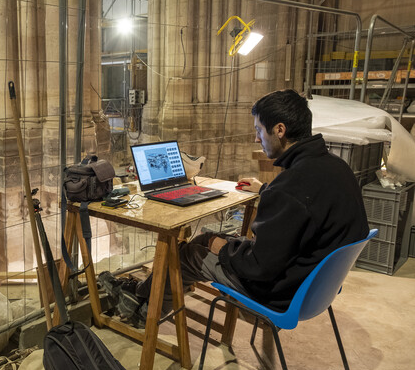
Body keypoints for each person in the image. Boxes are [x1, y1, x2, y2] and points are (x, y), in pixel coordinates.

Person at [99, 89, 369, 327]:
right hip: (315, 286)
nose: (256, 139)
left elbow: (257, 266)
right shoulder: (336, 168)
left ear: (280, 130)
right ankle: (142, 294)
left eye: (258, 130)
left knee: (186, 254)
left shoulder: (289, 187)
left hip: (280, 291)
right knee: (206, 237)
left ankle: (144, 312)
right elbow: (306, 209)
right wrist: (265, 191)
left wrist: (224, 248)